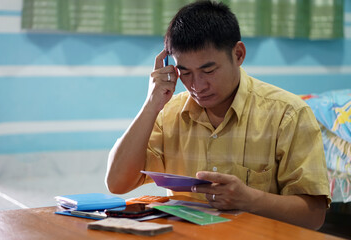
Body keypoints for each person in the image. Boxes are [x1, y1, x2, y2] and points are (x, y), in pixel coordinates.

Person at [105, 1, 330, 230]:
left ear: (238, 54)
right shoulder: (168, 113)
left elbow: (313, 217)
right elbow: (117, 183)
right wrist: (151, 104)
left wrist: (249, 199)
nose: (197, 86)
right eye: (185, 72)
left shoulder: (288, 114)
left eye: (209, 71)